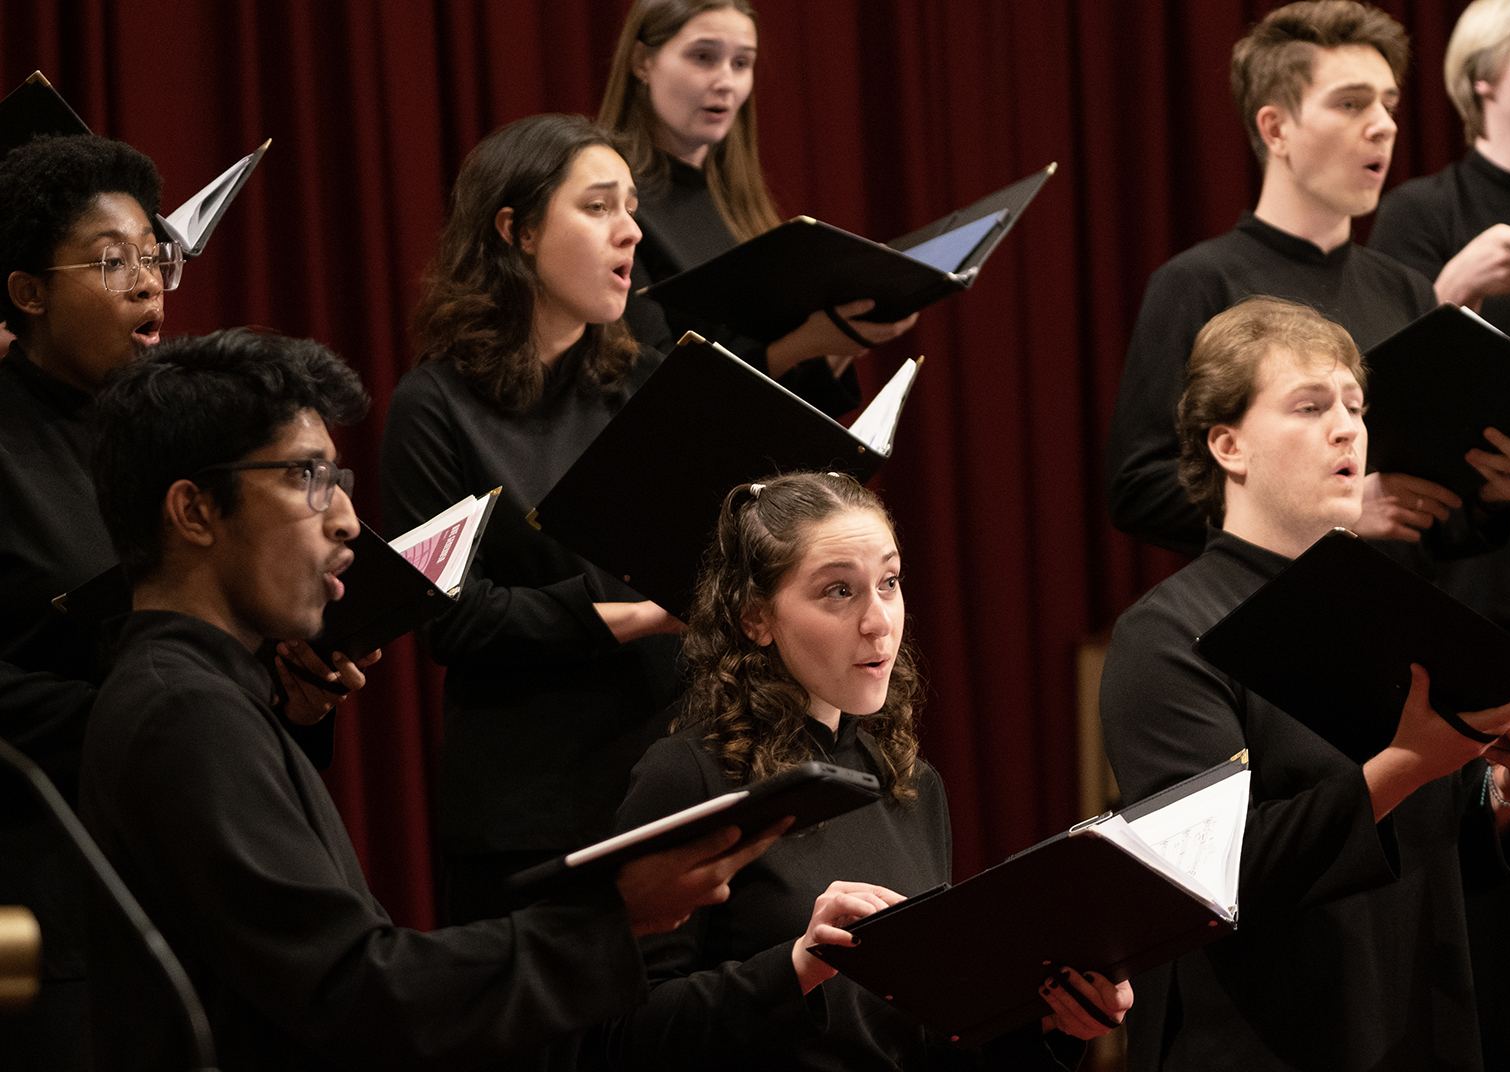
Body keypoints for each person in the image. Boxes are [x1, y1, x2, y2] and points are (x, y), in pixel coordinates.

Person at [77, 326, 784, 1071]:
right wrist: (613, 917)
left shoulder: (203, 693)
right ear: (193, 511)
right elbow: (355, 992)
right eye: (306, 477)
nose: (348, 519)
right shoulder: (185, 712)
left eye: (339, 482)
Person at [1098, 297, 1510, 1071]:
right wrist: (1411, 763)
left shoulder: (1394, 607)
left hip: (1419, 1022)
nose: (1348, 426)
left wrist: (1506, 790)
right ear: (1229, 445)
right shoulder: (1166, 635)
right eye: (1310, 405)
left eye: (1355, 405)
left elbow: (1444, 853)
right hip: (1265, 1042)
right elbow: (1220, 879)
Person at [0, 133, 367, 1071]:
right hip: (44, 877)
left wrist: (287, 687)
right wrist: (152, 712)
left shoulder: (173, 431)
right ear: (26, 292)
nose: (146, 281)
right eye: (109, 260)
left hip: (201, 849)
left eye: (153, 254)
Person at [601, 471, 1133, 1070]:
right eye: (838, 591)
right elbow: (621, 1038)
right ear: (756, 618)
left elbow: (927, 1038)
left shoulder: (912, 784)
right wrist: (798, 965)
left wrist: (1050, 1024)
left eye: (889, 582)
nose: (879, 621)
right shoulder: (687, 776)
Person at [1104, 0, 1510, 559]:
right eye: (1350, 103)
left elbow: (1420, 515)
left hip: (1398, 618)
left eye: (1388, 104)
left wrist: (1488, 496)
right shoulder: (1196, 283)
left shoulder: (1407, 289)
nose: (1384, 126)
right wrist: (1326, 511)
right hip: (1273, 623)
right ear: (1276, 128)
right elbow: (1137, 491)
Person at [1367, 3, 1510, 1067]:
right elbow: (1375, 395)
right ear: (1476, 79)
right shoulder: (1420, 219)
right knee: (1487, 898)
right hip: (1477, 599)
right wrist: (1448, 292)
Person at [382, 114, 686, 925]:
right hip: (528, 813)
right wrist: (633, 617)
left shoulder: (647, 384)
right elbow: (450, 620)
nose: (630, 230)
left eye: (631, 206)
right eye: (597, 207)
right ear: (513, 230)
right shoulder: (433, 406)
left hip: (671, 783)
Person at [597, 0, 918, 419]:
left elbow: (792, 394)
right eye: (703, 57)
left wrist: (844, 337)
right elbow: (653, 385)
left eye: (741, 63)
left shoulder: (739, 203)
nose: (725, 81)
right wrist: (808, 342)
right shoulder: (612, 204)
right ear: (642, 61)